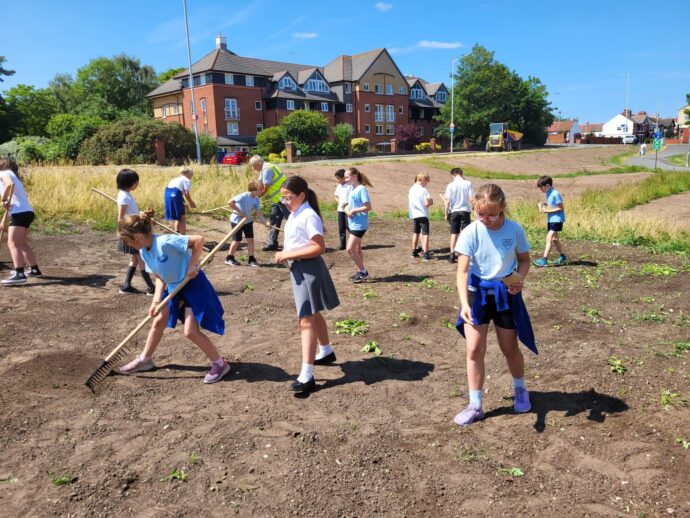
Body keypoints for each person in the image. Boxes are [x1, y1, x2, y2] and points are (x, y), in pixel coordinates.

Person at [453, 183, 537, 426]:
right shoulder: (471, 231)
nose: (486, 219)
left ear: (503, 208)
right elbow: (463, 271)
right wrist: (464, 304)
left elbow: (524, 260)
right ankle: (475, 404)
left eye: (492, 213)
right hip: (476, 294)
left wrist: (519, 279)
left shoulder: (515, 230)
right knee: (474, 349)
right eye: (480, 214)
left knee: (509, 348)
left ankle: (520, 388)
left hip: (505, 294)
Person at [116, 209, 230, 384]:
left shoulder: (165, 242)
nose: (127, 245)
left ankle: (220, 364)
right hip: (174, 288)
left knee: (190, 331)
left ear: (137, 237)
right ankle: (145, 360)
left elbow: (198, 240)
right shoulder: (144, 252)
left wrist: (192, 265)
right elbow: (160, 276)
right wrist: (156, 301)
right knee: (158, 321)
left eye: (127, 241)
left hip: (192, 285)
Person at [274, 176, 340, 393]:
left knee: (306, 320)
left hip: (309, 268)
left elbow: (319, 247)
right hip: (300, 268)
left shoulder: (308, 215)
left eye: (288, 197)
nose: (285, 202)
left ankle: (307, 375)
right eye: (282, 198)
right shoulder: (295, 213)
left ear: (301, 195)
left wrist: (289, 253)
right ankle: (326, 351)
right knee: (313, 313)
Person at [0, 157, 41, 285]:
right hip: (26, 212)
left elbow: (9, 186)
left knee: (12, 243)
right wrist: (3, 221)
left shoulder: (3, 173)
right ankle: (34, 270)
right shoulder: (13, 175)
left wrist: (3, 200)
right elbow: (12, 204)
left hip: (20, 213)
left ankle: (19, 274)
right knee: (22, 243)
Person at [116, 168, 156, 295]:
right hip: (132, 232)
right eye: (136, 182)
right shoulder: (123, 196)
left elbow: (131, 213)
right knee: (141, 258)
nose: (137, 184)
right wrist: (128, 232)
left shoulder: (126, 194)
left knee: (135, 259)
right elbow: (121, 218)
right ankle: (151, 287)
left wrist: (142, 216)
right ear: (128, 182)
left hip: (134, 230)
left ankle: (126, 285)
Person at [225, 180, 270, 267]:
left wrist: (265, 222)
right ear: (253, 189)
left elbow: (259, 213)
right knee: (237, 240)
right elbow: (230, 202)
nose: (262, 191)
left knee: (250, 240)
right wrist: (240, 212)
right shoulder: (243, 196)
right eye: (260, 189)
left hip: (248, 221)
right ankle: (229, 258)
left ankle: (251, 260)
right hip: (237, 221)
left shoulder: (256, 199)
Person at [250, 155, 288, 251]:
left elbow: (265, 188)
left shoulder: (267, 169)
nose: (254, 169)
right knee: (274, 219)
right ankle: (272, 244)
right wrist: (250, 194)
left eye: (254, 166)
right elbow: (258, 184)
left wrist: (256, 198)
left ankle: (301, 242)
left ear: (258, 164)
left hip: (283, 198)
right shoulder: (264, 168)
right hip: (276, 199)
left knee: (291, 219)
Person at [344, 167, 373, 283]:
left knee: (350, 249)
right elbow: (346, 204)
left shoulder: (361, 189)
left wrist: (354, 211)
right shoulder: (352, 189)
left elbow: (368, 207)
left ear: (354, 176)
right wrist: (347, 210)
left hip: (359, 225)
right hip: (353, 223)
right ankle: (360, 271)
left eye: (347, 177)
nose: (345, 180)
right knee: (356, 249)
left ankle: (363, 271)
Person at [533, 175, 566, 267]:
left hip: (557, 219)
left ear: (547, 185)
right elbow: (552, 204)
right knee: (555, 239)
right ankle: (562, 256)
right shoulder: (548, 193)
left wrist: (547, 210)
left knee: (549, 237)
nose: (540, 189)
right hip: (551, 219)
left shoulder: (555, 193)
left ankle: (544, 259)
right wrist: (544, 203)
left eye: (541, 187)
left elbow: (560, 208)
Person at [444, 167, 474, 264]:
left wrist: (446, 213)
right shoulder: (468, 183)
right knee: (465, 233)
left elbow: (447, 202)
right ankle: (464, 253)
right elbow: (471, 199)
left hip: (454, 211)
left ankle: (452, 254)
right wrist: (473, 209)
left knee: (454, 234)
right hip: (465, 210)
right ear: (461, 174)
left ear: (452, 175)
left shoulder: (450, 185)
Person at [408, 172, 433, 261]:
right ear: (424, 180)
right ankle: (426, 254)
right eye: (427, 181)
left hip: (414, 214)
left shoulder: (412, 189)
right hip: (422, 214)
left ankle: (414, 252)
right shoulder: (424, 190)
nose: (427, 184)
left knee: (416, 233)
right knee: (425, 234)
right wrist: (431, 201)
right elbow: (426, 204)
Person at [164, 166, 197, 235]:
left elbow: (173, 191)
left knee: (178, 214)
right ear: (188, 174)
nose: (191, 177)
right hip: (176, 194)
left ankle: (177, 232)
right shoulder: (186, 180)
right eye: (191, 176)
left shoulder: (175, 179)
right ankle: (183, 237)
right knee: (183, 218)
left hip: (167, 194)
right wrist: (191, 202)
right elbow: (186, 193)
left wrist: (183, 204)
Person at [333, 168, 352, 250]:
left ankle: (354, 243)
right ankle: (342, 244)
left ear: (343, 178)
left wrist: (347, 203)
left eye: (338, 178)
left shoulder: (350, 186)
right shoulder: (339, 187)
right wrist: (340, 202)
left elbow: (352, 197)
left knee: (349, 226)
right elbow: (335, 196)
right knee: (341, 228)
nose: (337, 180)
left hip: (348, 210)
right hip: (340, 210)